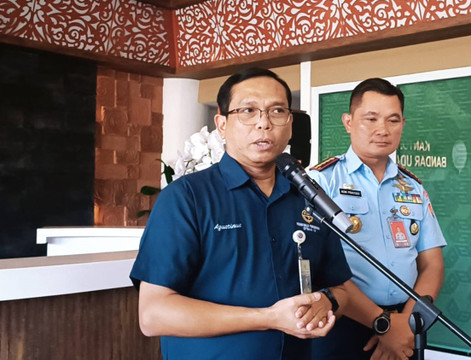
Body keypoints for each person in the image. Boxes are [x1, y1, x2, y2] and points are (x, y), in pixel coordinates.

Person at [130, 67, 352, 360]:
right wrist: (269, 317)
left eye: (277, 111)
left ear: (289, 123)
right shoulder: (187, 197)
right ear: (221, 124)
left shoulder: (307, 199)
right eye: (248, 110)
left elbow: (342, 288)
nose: (264, 123)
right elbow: (153, 314)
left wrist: (328, 301)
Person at [309, 78, 446, 360]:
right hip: (341, 322)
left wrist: (405, 324)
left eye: (392, 120)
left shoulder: (414, 188)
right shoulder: (320, 182)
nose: (382, 130)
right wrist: (381, 323)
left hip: (407, 324)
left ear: (402, 124)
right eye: (370, 119)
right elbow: (315, 265)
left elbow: (432, 265)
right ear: (348, 122)